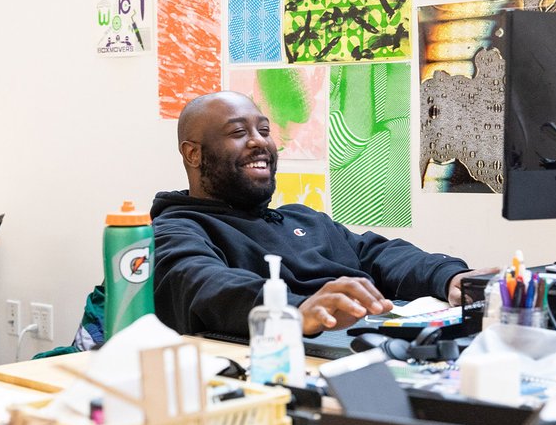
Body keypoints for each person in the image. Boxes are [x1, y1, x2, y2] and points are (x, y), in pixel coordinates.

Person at [151, 91, 496, 337]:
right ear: (193, 154)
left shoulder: (303, 219)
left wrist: (451, 278)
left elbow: (376, 254)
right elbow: (202, 284)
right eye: (239, 133)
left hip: (373, 344)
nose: (260, 143)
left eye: (265, 131)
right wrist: (297, 311)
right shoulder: (175, 228)